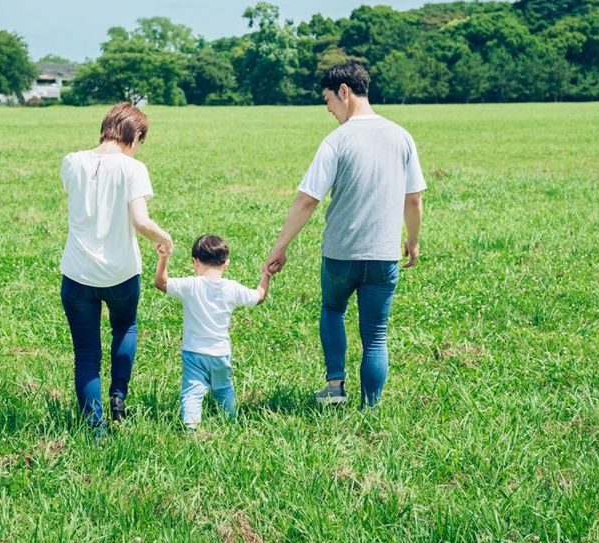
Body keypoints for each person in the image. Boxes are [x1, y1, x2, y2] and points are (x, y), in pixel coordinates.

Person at [261, 63, 426, 409]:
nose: (330, 111)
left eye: (328, 102)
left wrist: (280, 247)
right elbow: (414, 199)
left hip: (341, 254)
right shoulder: (402, 136)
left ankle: (335, 386)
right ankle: (371, 408)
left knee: (333, 309)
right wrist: (412, 241)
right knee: (376, 335)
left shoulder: (336, 141)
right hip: (384, 255)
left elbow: (307, 200)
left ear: (345, 92)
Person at [59, 103, 172, 431]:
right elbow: (140, 221)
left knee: (86, 354)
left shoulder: (71, 162)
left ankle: (96, 428)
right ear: (135, 135)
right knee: (125, 328)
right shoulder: (132, 169)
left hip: (77, 273)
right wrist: (163, 237)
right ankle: (118, 397)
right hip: (121, 273)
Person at [154, 234, 269, 429]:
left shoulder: (190, 285)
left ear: (195, 262)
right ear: (226, 263)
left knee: (192, 391)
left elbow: (161, 283)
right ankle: (231, 422)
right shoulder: (232, 288)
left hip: (194, 352)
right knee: (224, 389)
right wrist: (266, 274)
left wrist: (163, 258)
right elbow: (259, 297)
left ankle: (191, 428)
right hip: (221, 354)